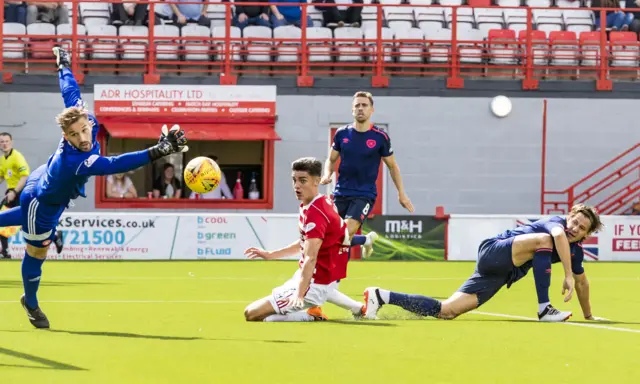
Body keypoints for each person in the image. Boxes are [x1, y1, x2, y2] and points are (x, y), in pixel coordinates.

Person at [0, 47, 188, 329]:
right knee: (37, 251)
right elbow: (115, 164)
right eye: (74, 135)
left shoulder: (84, 119)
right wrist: (159, 150)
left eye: (84, 129)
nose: (83, 137)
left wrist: (63, 65)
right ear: (66, 136)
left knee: (28, 223)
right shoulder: (77, 161)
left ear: (88, 122)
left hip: (47, 184)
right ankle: (31, 301)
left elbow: (70, 92)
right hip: (43, 201)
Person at [363, 204, 610, 323]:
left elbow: (582, 282)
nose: (574, 228)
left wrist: (588, 315)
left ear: (586, 234)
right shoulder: (555, 224)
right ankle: (545, 308)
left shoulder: (576, 251)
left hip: (502, 273)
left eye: (581, 228)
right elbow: (556, 237)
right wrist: (566, 273)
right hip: (495, 252)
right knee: (544, 240)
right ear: (568, 217)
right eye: (574, 221)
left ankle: (381, 296)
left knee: (447, 311)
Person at [318, 91, 414, 319]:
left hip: (364, 195)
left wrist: (402, 194)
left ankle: (357, 244)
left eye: (364, 105)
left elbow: (392, 166)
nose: (360, 108)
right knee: (335, 241)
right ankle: (363, 242)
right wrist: (326, 175)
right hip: (340, 194)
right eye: (357, 105)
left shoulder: (380, 137)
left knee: (344, 233)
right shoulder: (342, 134)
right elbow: (330, 160)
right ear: (352, 110)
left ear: (372, 110)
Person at [243, 157, 354, 322]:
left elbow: (311, 257)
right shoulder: (318, 202)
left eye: (303, 181)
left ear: (317, 181)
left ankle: (311, 315)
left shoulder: (316, 213)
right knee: (263, 313)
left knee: (252, 314)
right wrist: (270, 254)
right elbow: (304, 243)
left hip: (314, 284)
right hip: (311, 279)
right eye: (294, 180)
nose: (296, 186)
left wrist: (299, 295)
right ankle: (354, 308)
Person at [0, 132, 30, 259]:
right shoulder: (3, 160)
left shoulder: (17, 157)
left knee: (28, 223)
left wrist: (14, 192)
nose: (4, 144)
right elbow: (1, 176)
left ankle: (55, 236)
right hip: (11, 194)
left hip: (21, 193)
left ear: (11, 142)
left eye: (7, 141)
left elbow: (25, 176)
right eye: (2, 142)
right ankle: (5, 252)